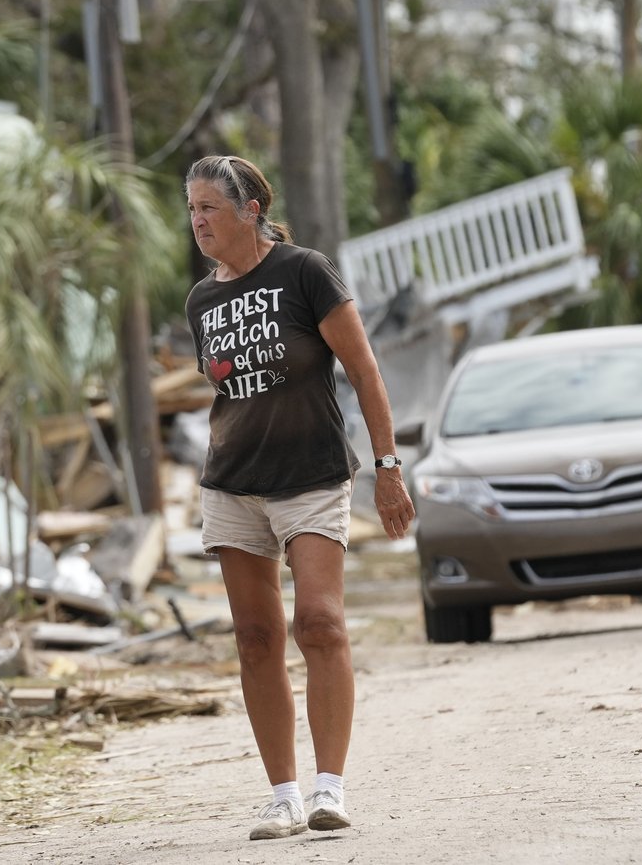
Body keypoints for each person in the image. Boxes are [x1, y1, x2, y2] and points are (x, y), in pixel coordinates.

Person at [184, 154, 415, 840]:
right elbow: (225, 390)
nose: (198, 222)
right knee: (255, 637)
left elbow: (364, 369)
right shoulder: (202, 299)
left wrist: (388, 466)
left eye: (210, 209)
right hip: (232, 484)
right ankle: (282, 794)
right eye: (191, 210)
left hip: (312, 475)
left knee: (319, 622)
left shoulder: (304, 272)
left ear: (251, 210)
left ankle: (329, 787)